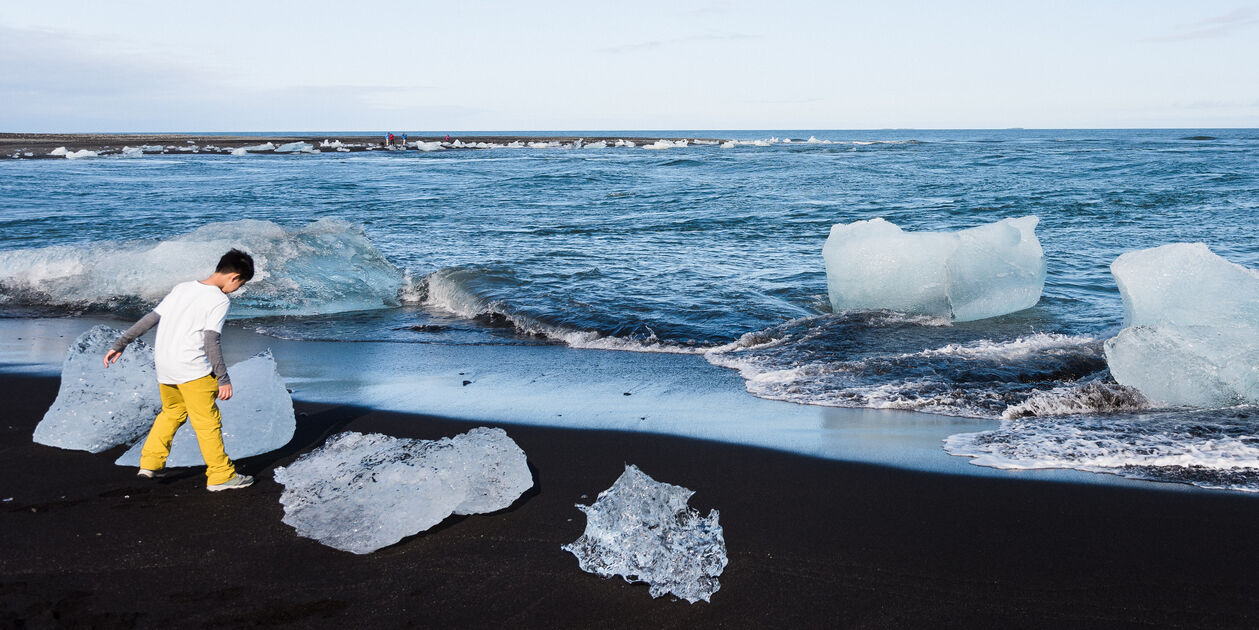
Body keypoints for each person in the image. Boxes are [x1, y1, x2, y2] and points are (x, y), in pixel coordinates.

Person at [104, 249, 256, 492]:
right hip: (193, 370)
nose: (236, 290)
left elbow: (150, 319)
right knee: (207, 423)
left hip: (165, 366)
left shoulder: (182, 288)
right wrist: (223, 378)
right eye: (241, 284)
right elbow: (211, 341)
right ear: (234, 277)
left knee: (171, 413)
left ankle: (150, 463)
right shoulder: (219, 300)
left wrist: (121, 343)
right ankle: (221, 475)